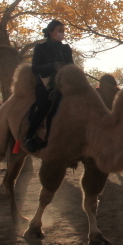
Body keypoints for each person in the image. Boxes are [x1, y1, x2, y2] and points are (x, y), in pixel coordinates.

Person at [23, 19, 74, 152]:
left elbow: (71, 65)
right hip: (44, 84)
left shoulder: (66, 48)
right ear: (51, 32)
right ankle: (29, 136)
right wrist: (53, 65)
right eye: (59, 31)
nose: (62, 33)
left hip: (63, 84)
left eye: (63, 31)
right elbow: (35, 68)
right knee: (44, 106)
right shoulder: (40, 47)